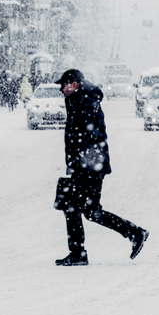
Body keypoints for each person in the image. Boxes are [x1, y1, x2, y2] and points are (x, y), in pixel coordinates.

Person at [55, 69, 149, 267]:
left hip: (88, 167)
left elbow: (88, 137)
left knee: (77, 208)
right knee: (84, 209)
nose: (61, 90)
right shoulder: (80, 99)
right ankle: (132, 233)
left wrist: (80, 165)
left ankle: (80, 253)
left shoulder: (85, 101)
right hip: (87, 166)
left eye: (63, 86)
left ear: (73, 84)